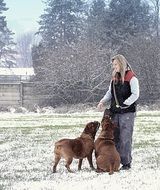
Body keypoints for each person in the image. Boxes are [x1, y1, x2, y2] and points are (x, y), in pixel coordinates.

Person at [97, 54, 139, 170]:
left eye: (115, 64)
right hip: (115, 112)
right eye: (113, 65)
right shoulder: (114, 78)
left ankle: (126, 163)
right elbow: (110, 93)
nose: (113, 67)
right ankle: (114, 161)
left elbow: (135, 94)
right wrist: (102, 101)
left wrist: (125, 103)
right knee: (114, 137)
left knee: (125, 138)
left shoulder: (132, 77)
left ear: (121, 63)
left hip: (127, 113)